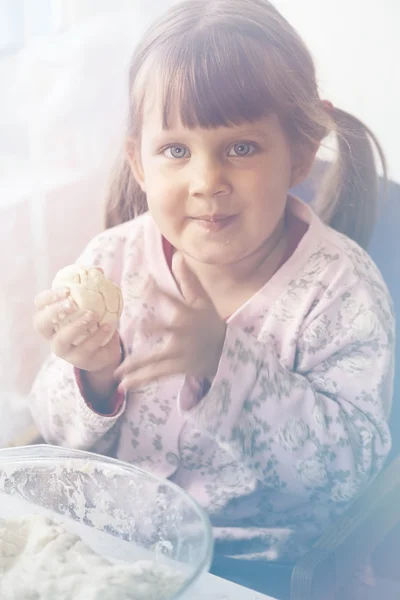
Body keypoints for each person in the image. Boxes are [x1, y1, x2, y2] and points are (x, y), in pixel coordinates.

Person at [31, 0, 395, 597]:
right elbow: (54, 428)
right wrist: (90, 374)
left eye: (242, 148)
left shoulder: (340, 291)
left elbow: (345, 473)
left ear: (301, 151)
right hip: (119, 546)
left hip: (261, 570)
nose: (206, 181)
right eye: (176, 150)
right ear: (139, 162)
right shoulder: (113, 261)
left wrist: (225, 366)